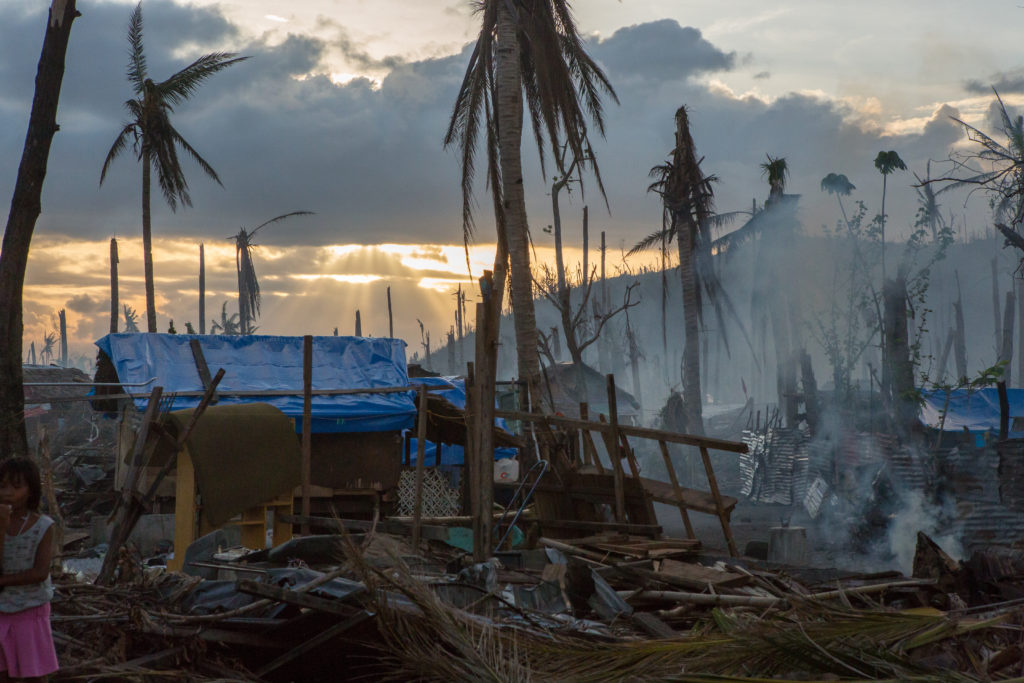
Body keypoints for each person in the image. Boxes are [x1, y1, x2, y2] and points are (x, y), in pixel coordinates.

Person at [0, 458, 58, 681]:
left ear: (31, 491)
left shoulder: (42, 525)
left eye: (16, 487)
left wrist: (2, 581)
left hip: (30, 609)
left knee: (32, 673)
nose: (7, 493)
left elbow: (40, 572)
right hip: (1, 610)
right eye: (2, 486)